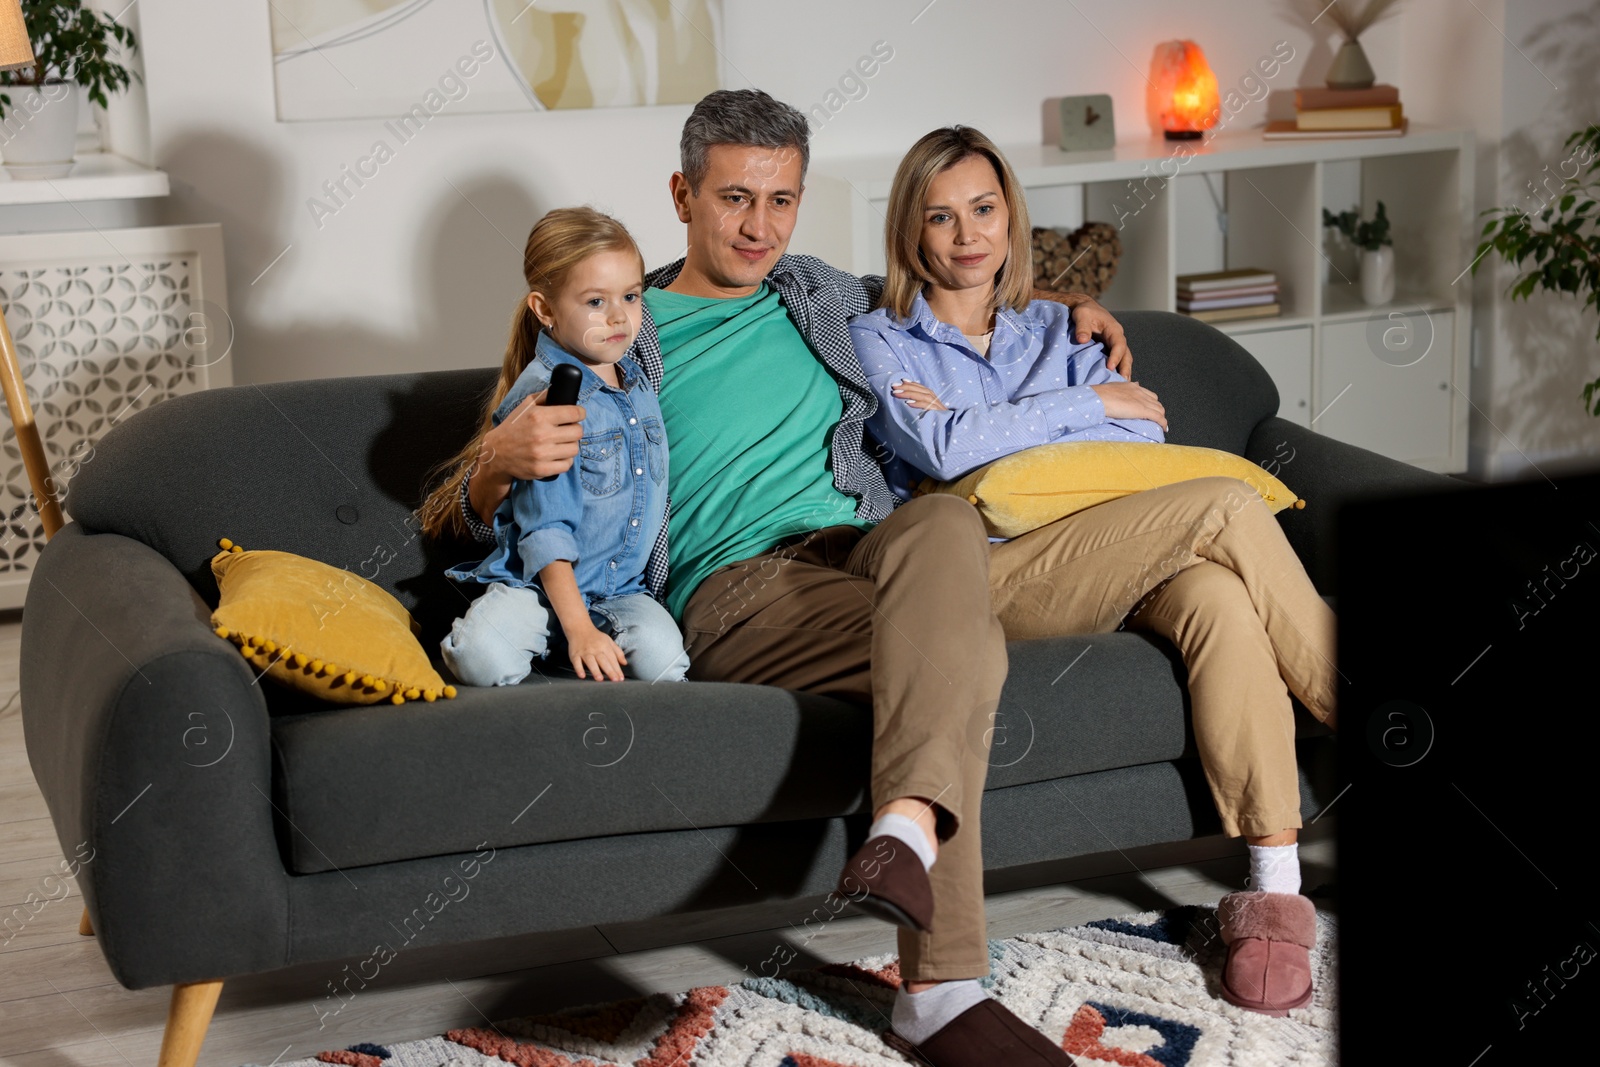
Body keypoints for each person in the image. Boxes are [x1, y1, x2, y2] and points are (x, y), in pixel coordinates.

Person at [442, 91, 1135, 1064]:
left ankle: (900, 829)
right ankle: (940, 992)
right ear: (681, 194)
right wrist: (493, 462)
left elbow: (948, 273)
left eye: (782, 199)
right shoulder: (612, 331)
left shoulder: (819, 293)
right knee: (961, 651)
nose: (759, 226)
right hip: (739, 585)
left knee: (942, 519)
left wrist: (1068, 302)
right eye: (733, 198)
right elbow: (461, 512)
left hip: (864, 547)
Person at [850, 125, 1338, 1018]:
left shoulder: (1060, 324)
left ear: (1011, 214)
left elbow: (1140, 432)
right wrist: (1079, 405)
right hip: (989, 579)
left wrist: (1012, 422)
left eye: (986, 209)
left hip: (1114, 549)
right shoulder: (882, 338)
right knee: (1226, 502)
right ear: (911, 232)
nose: (969, 236)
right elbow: (940, 447)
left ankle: (1273, 890)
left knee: (1224, 598)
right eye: (942, 217)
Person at [421, 207, 689, 686]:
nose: (618, 317)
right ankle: (558, 640)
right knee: (481, 659)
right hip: (536, 587)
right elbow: (547, 529)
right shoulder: (550, 401)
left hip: (619, 592)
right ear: (544, 310)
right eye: (594, 301)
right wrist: (580, 629)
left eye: (630, 296)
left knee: (665, 661)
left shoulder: (639, 382)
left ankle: (570, 649)